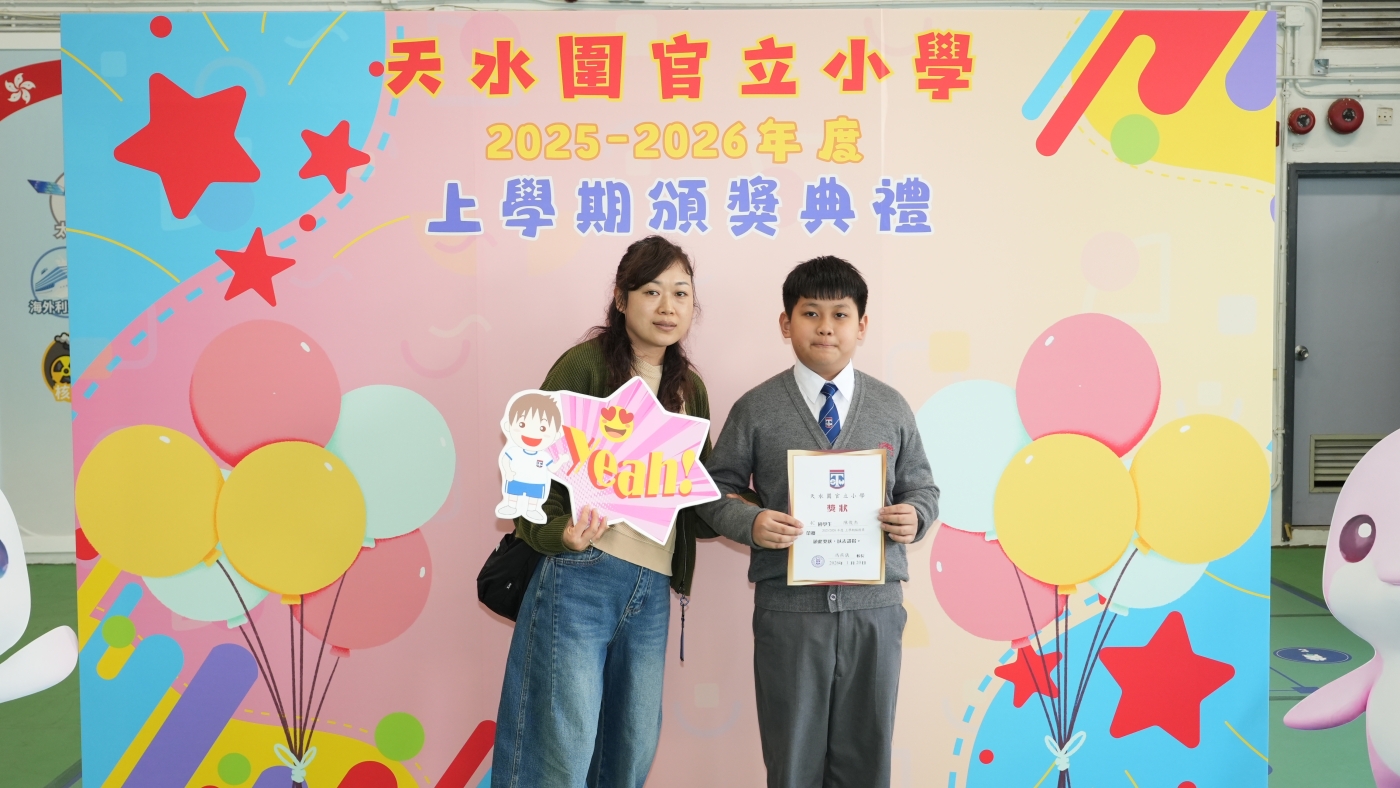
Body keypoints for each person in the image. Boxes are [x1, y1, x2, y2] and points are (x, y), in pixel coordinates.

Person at [699, 255, 939, 788]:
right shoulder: (757, 408)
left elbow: (922, 487)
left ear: (862, 326)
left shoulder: (891, 406)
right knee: (792, 762)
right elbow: (713, 489)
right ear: (786, 324)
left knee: (866, 761)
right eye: (810, 313)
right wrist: (751, 522)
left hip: (874, 612)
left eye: (840, 314)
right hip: (789, 612)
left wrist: (915, 516)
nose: (826, 327)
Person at [492, 235, 715, 788]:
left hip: (652, 587)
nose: (667, 307)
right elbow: (529, 461)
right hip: (580, 576)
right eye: (651, 291)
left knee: (629, 748)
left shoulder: (690, 390)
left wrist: (761, 510)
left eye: (681, 293)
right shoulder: (586, 366)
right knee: (558, 747)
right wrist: (558, 534)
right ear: (620, 298)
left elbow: (703, 498)